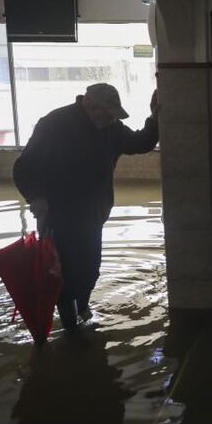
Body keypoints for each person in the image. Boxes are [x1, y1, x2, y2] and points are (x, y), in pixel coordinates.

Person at [13, 82, 160, 332]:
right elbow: (24, 167)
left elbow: (139, 143)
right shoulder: (54, 124)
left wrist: (155, 119)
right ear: (91, 106)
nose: (113, 118)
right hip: (58, 216)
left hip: (93, 216)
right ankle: (71, 329)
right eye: (109, 113)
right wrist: (36, 197)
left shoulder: (110, 127)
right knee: (64, 273)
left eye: (115, 115)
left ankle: (83, 308)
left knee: (90, 268)